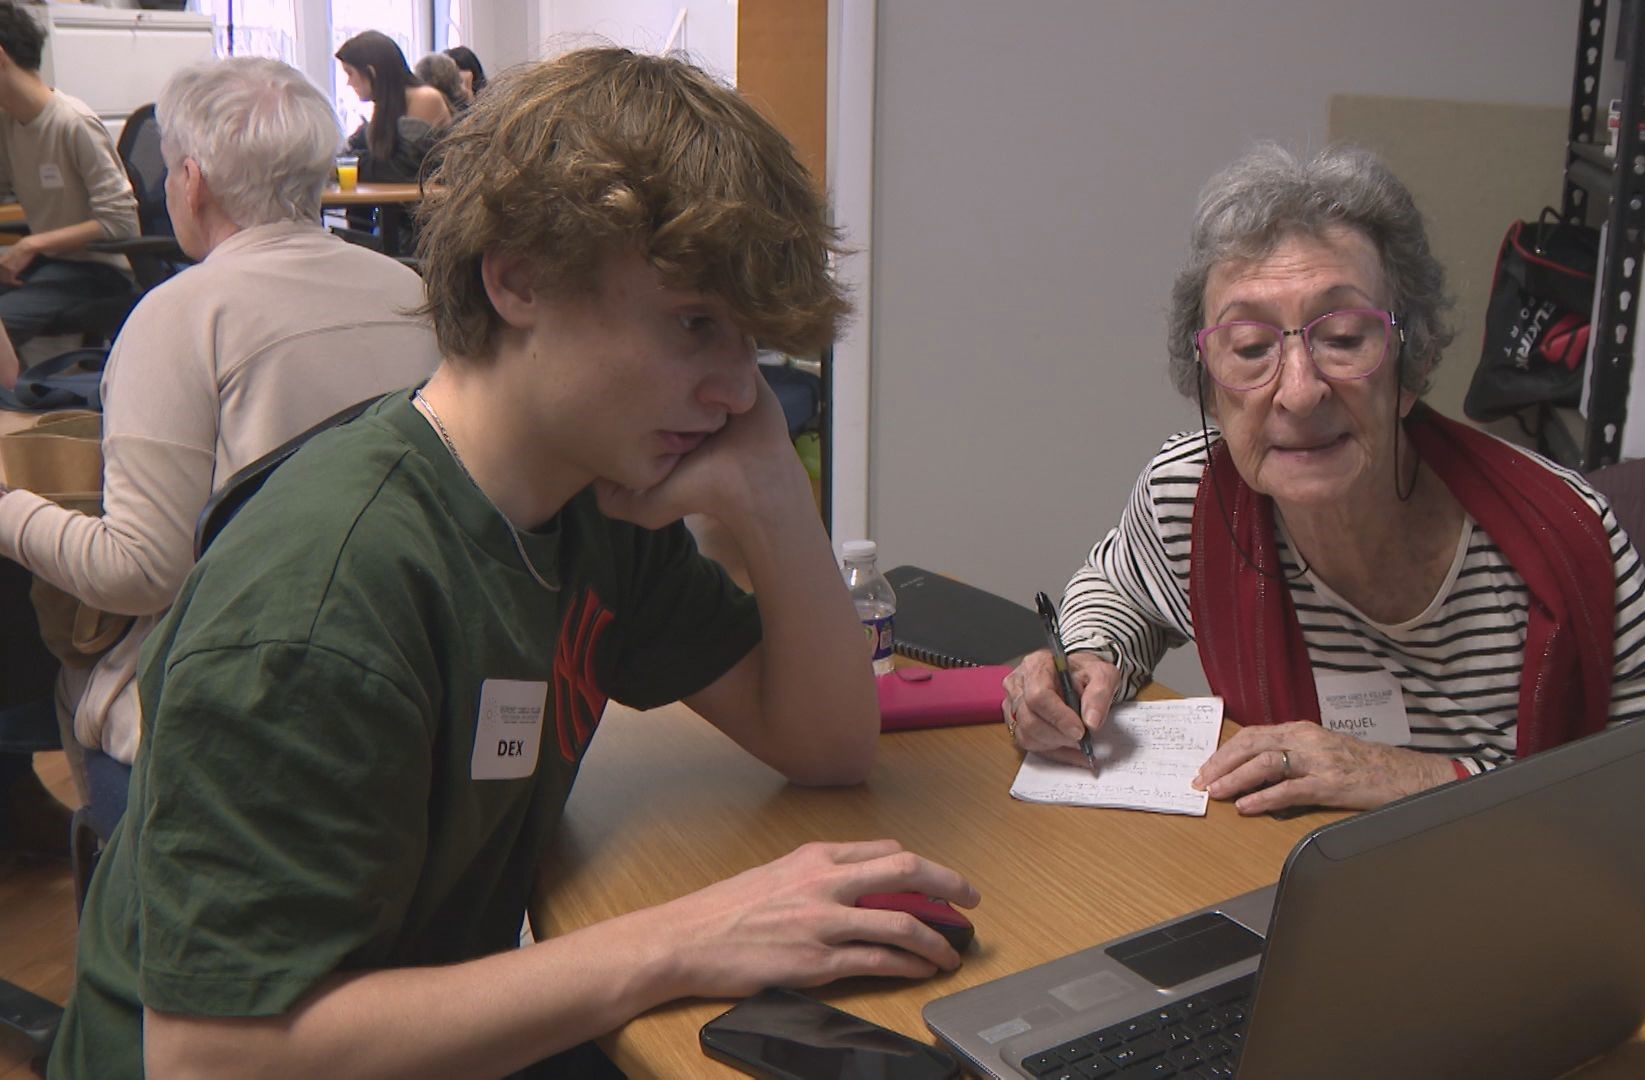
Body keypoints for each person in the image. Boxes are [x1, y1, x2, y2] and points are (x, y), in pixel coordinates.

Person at [50, 47, 978, 1078]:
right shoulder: (325, 597)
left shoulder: (593, 504)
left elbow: (828, 741)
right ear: (520, 277)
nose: (736, 390)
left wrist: (768, 491)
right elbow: (208, 1058)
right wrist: (681, 937)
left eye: (748, 344)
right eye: (696, 326)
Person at [1005, 144, 1645, 816]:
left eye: (1343, 338)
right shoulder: (1193, 496)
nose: (1300, 392)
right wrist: (1089, 659)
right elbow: (1119, 590)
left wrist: (1418, 778)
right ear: (1210, 389)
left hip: (1508, 912)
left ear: (1412, 363)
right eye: (1250, 348)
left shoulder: (1562, 539)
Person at [0, 57, 441, 820]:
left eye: (168, 171)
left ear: (194, 180)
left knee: (68, 662)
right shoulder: (415, 293)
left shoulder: (180, 317)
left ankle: (124, 897)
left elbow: (138, 571)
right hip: (407, 671)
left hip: (249, 706)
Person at [0, 1, 137, 385]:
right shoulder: (11, 124)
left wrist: (32, 245)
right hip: (51, 266)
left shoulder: (73, 122)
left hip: (97, 272)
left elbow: (122, 221)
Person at [336, 29, 451, 183]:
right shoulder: (386, 104)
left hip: (428, 204)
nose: (348, 82)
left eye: (350, 73)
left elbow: (404, 168)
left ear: (371, 72)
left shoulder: (424, 97)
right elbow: (351, 151)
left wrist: (350, 164)